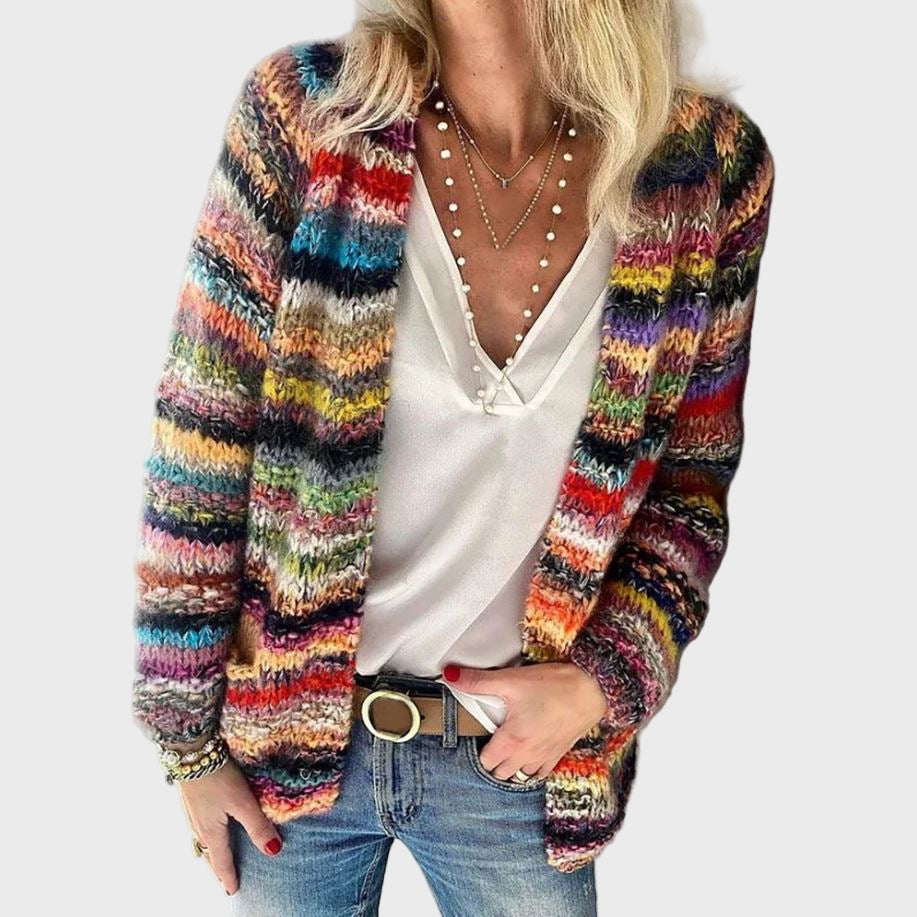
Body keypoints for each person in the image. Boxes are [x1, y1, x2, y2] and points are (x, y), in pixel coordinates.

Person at [130, 1, 775, 914]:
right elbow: (199, 448)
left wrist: (603, 682)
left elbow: (690, 487)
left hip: (517, 761)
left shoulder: (702, 168)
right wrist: (187, 745)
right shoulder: (307, 117)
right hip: (292, 750)